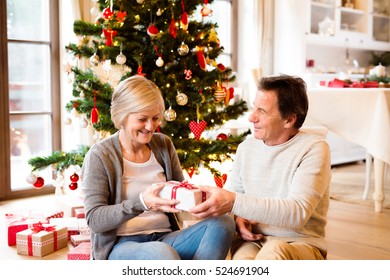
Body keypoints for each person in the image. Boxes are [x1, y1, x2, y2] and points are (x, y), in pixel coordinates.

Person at [81, 75, 235, 260]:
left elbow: (180, 192)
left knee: (222, 223)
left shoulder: (163, 145)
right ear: (122, 116)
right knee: (161, 254)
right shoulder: (100, 155)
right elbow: (95, 220)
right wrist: (142, 203)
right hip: (122, 245)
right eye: (142, 119)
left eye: (155, 118)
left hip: (166, 237)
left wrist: (201, 198)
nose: (150, 126)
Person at [190, 74, 331, 260]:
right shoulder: (246, 148)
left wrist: (233, 202)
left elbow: (297, 213)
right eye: (253, 108)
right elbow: (237, 201)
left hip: (300, 242)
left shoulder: (314, 148)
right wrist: (238, 219)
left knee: (274, 252)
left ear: (289, 120)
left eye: (262, 111)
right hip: (253, 241)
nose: (251, 117)